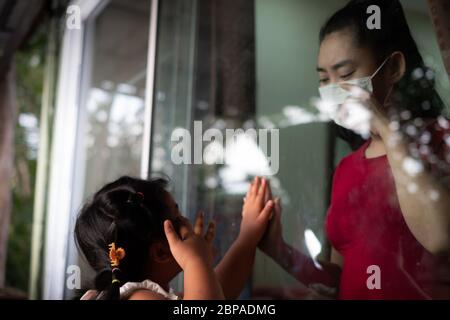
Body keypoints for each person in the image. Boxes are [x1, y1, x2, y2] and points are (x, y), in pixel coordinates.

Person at [259, 0, 450, 299]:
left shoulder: (440, 138)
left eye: (345, 74)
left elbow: (439, 237)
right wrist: (278, 249)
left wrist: (387, 128)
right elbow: (341, 279)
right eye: (324, 79)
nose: (333, 89)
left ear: (393, 68)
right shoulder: (347, 168)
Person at [76, 175, 274, 300]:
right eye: (177, 216)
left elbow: (221, 289)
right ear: (161, 252)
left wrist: (248, 236)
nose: (186, 219)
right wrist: (196, 261)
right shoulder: (141, 298)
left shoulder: (149, 293)